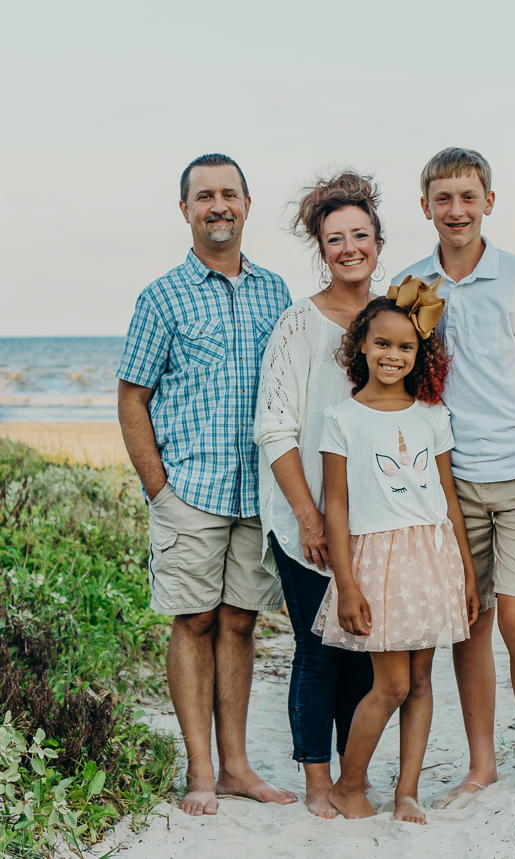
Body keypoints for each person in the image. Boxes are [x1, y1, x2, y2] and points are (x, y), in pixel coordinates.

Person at [392, 147, 515, 808]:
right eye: (443, 198)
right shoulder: (411, 285)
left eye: (468, 197)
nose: (456, 210)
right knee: (469, 619)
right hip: (449, 482)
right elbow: (400, 380)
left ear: (488, 202)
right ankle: (479, 764)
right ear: (426, 208)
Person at [117, 153, 296, 817]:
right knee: (192, 620)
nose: (217, 205)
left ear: (247, 204)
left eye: (229, 194)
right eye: (204, 196)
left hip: (256, 491)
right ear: (186, 209)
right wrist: (158, 487)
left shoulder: (275, 292)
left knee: (240, 623)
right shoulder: (161, 296)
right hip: (190, 488)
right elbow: (132, 396)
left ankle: (237, 765)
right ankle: (200, 769)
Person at [317, 288, 481, 824]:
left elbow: (448, 499)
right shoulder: (342, 418)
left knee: (421, 680)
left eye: (406, 347)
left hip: (432, 558)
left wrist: (467, 574)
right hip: (378, 562)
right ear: (361, 345)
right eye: (382, 343)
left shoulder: (432, 415)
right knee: (390, 684)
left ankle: (407, 790)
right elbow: (335, 507)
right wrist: (345, 582)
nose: (394, 355)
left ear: (420, 354)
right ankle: (349, 784)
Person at [255, 173, 383, 819]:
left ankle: (352, 775)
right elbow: (275, 426)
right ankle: (316, 781)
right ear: (321, 247)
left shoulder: (393, 319)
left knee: (362, 649)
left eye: (360, 234)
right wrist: (307, 516)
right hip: (306, 515)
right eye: (336, 238)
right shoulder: (297, 325)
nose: (349, 247)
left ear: (379, 241)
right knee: (317, 650)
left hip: (378, 521)